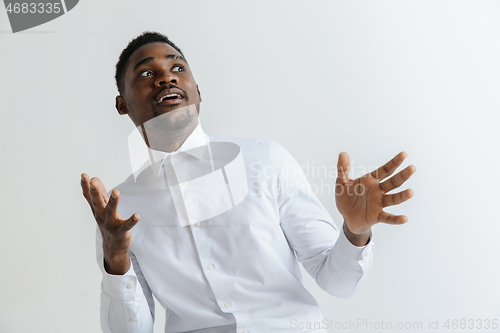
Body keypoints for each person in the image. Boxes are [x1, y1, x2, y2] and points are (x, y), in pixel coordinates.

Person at [80, 31, 416, 333]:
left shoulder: (267, 161)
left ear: (197, 90)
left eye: (178, 68)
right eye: (147, 73)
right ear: (121, 104)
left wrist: (355, 232)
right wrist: (117, 261)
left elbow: (339, 283)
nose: (167, 78)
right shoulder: (118, 211)